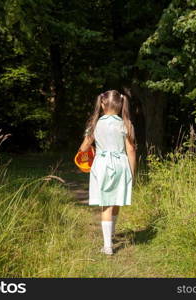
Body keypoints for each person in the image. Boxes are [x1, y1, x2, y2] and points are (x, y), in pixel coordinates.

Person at [79, 90, 137, 255]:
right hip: (120, 164)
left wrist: (87, 150)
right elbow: (131, 150)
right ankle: (111, 234)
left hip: (102, 164)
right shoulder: (126, 124)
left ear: (102, 104)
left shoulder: (95, 124)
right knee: (116, 200)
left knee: (106, 204)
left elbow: (83, 148)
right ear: (120, 104)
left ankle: (107, 246)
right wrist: (131, 173)